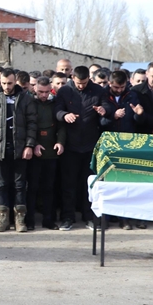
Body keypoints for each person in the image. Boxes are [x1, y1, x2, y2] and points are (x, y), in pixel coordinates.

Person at [54, 66, 112, 231]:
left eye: (85, 83)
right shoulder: (65, 91)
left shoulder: (97, 91)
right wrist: (64, 115)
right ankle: (67, 218)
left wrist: (104, 110)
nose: (81, 86)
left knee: (90, 184)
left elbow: (108, 107)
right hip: (70, 145)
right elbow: (56, 110)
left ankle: (90, 217)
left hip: (90, 145)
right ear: (72, 77)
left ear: (89, 79)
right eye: (79, 83)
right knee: (68, 184)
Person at [0, 69, 37, 232]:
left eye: (10, 83)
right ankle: (3, 220)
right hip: (0, 149)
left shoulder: (26, 99)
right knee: (1, 185)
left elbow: (32, 124)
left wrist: (29, 145)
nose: (7, 86)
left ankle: (20, 220)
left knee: (20, 185)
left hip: (20, 149)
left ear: (15, 82)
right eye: (4, 83)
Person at [27, 77, 65, 230]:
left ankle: (48, 220)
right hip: (34, 151)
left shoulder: (55, 103)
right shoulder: (29, 103)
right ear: (35, 89)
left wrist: (60, 142)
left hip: (51, 151)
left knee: (49, 188)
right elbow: (26, 126)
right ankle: (29, 220)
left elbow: (61, 126)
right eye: (40, 92)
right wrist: (34, 144)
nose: (44, 95)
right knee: (32, 188)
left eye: (47, 92)